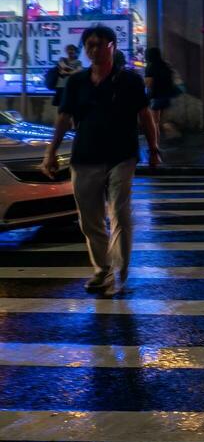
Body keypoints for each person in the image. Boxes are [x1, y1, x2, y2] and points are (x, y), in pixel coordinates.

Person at [42, 25, 161, 298]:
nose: (94, 49)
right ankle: (102, 269)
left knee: (119, 213)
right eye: (89, 45)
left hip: (122, 156)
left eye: (100, 44)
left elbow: (145, 116)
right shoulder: (76, 82)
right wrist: (51, 152)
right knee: (89, 220)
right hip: (85, 157)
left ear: (112, 47)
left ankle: (119, 270)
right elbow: (63, 118)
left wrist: (154, 149)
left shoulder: (129, 81)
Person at [143, 47, 176, 124]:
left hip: (156, 96)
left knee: (154, 122)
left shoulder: (150, 67)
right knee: (162, 121)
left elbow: (148, 84)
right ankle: (165, 133)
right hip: (167, 96)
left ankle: (158, 135)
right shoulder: (166, 65)